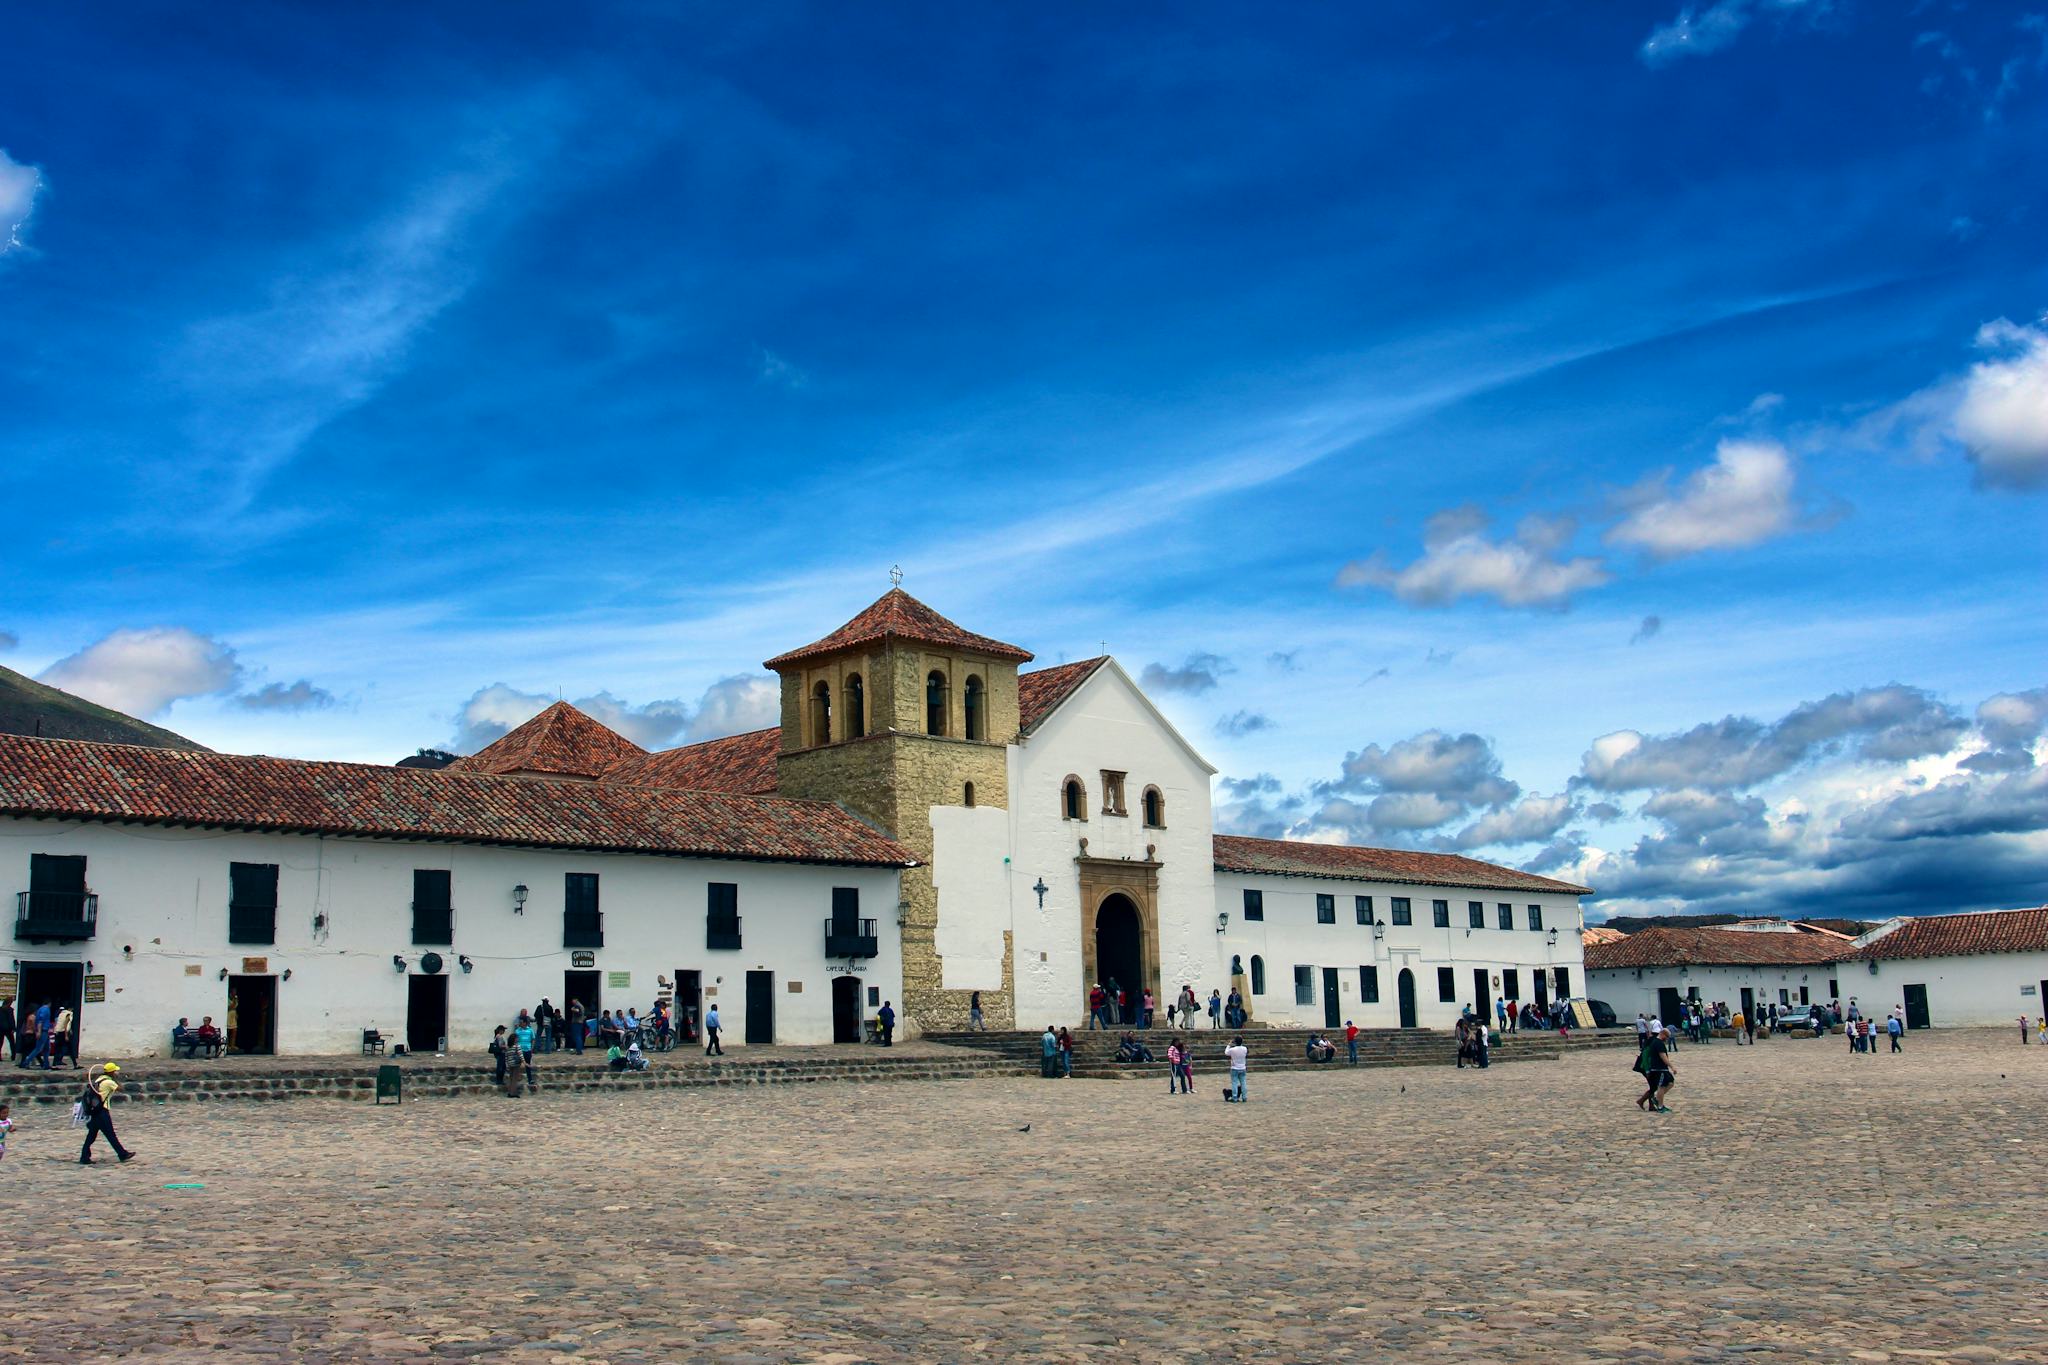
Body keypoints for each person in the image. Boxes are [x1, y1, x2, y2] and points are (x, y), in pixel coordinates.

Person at [78, 1062, 135, 1164]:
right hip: (102, 1111)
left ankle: (84, 1157)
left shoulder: (99, 1079)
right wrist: (115, 1079)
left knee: (91, 1135)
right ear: (112, 1072)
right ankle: (122, 1154)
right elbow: (121, 1089)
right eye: (115, 1071)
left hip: (95, 1111)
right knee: (110, 1135)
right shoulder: (109, 1082)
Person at [1635, 1028, 1675, 1113]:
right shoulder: (1657, 1043)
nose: (1667, 1039)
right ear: (1663, 1034)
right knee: (1658, 1086)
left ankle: (1650, 1101)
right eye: (1667, 1037)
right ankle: (1656, 1104)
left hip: (1657, 1068)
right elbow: (1661, 1056)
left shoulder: (1653, 1042)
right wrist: (1672, 1066)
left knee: (1668, 1083)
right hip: (1656, 1068)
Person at [1224, 1035, 1249, 1102]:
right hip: (1242, 1067)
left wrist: (1229, 1045)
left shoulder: (1232, 1050)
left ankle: (1234, 1097)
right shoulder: (1245, 1049)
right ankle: (1244, 1097)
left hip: (1234, 1068)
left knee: (1234, 1083)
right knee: (1243, 1083)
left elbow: (1226, 1052)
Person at [489, 1025, 512, 1092]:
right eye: (503, 1030)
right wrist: (506, 1046)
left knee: (501, 1066)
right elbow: (500, 1045)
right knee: (501, 1067)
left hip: (500, 1053)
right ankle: (499, 1080)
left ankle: (500, 1080)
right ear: (500, 1030)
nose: (504, 1031)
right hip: (501, 1053)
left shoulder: (497, 1036)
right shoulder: (499, 1036)